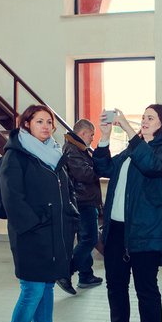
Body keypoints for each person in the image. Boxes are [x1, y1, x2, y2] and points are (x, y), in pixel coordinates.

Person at [91, 105, 162, 322]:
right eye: (142, 117)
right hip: (118, 229)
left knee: (146, 290)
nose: (143, 121)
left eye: (150, 118)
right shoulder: (133, 149)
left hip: (146, 231)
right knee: (116, 286)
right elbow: (104, 167)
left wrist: (130, 130)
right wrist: (106, 137)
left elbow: (154, 166)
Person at [0, 104, 77, 322]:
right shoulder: (17, 155)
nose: (46, 126)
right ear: (26, 124)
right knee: (31, 291)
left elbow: (66, 191)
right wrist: (34, 223)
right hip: (30, 235)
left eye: (49, 122)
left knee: (46, 290)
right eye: (39, 121)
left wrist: (71, 215)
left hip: (55, 235)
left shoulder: (55, 154)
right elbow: (12, 198)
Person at [58, 118, 103, 295]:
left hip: (83, 199)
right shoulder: (73, 150)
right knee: (89, 239)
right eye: (91, 135)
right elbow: (85, 174)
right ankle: (65, 272)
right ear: (82, 133)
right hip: (83, 202)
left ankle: (86, 275)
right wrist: (102, 166)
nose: (92, 138)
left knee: (85, 238)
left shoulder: (78, 148)